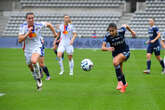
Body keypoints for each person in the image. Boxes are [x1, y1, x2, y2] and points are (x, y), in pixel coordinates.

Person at [18, 12, 57, 90]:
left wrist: (54, 33)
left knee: (34, 61)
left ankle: (39, 78)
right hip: (27, 49)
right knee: (30, 66)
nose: (31, 19)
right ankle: (35, 74)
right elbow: (20, 40)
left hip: (37, 46)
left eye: (32, 18)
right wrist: (27, 33)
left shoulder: (38, 25)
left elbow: (49, 24)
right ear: (26, 19)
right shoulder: (23, 27)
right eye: (29, 18)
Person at [101, 23, 136, 93]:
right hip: (116, 54)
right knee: (120, 71)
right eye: (110, 31)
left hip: (125, 51)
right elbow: (102, 47)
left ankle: (119, 82)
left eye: (112, 31)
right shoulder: (107, 36)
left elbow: (125, 25)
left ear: (116, 30)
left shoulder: (121, 31)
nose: (111, 32)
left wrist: (132, 32)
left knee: (115, 62)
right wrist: (108, 48)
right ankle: (124, 84)